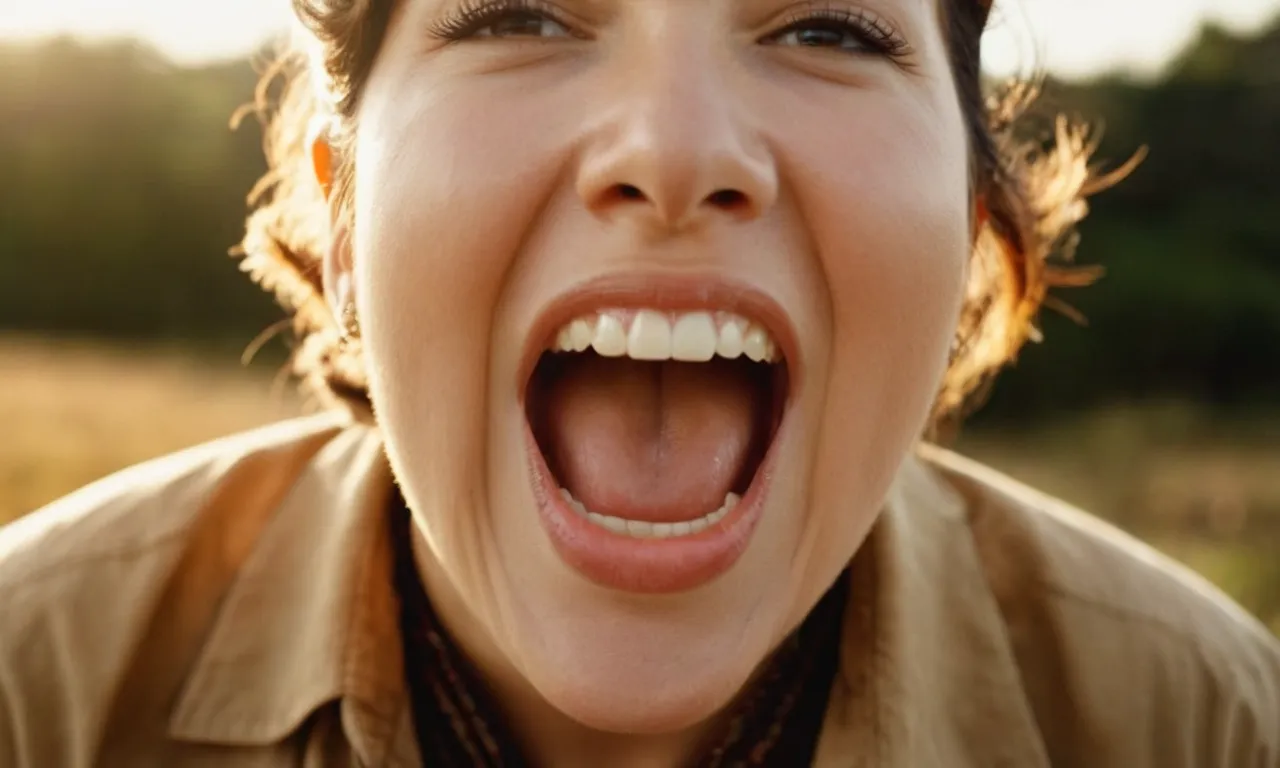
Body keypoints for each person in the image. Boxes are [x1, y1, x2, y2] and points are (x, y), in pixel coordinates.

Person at [1, 0, 1277, 765]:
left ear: (963, 217)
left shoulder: (1208, 726)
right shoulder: (32, 694)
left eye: (826, 25)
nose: (675, 152)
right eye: (519, 13)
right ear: (341, 220)